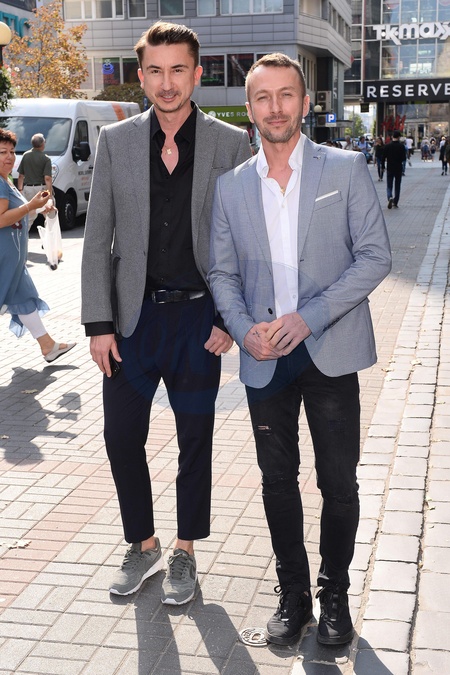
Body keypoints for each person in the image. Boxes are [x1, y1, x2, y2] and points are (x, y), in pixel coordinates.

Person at [208, 53, 391, 647]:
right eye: (263, 97)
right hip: (266, 359)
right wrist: (242, 329)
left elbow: (375, 256)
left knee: (338, 483)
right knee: (277, 481)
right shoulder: (231, 187)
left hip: (330, 349)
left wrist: (309, 318)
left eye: (286, 95)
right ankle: (293, 594)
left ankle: (334, 594)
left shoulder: (346, 168)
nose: (276, 107)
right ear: (249, 107)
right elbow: (222, 272)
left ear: (305, 103)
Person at [80, 21, 251, 606]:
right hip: (132, 322)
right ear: (142, 75)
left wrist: (230, 319)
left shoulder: (230, 144)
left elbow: (243, 241)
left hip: (200, 321)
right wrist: (98, 324)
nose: (167, 82)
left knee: (194, 440)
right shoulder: (116, 141)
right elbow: (97, 237)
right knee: (120, 436)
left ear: (197, 74)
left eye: (178, 69)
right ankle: (144, 543)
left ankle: (185, 551)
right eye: (155, 70)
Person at [0, 129, 75, 361]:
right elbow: (1, 219)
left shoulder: (6, 181)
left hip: (13, 260)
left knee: (24, 299)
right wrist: (30, 206)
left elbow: (19, 213)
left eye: (12, 151)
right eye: (2, 152)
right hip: (3, 260)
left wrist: (39, 208)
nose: (9, 157)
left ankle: (48, 346)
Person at [17, 133, 53, 230]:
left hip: (27, 189)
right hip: (41, 189)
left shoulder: (26, 155)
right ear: (42, 144)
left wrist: (20, 190)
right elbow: (47, 178)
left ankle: (24, 235)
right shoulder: (46, 158)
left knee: (28, 216)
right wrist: (49, 194)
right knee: (49, 214)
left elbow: (21, 176)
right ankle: (49, 236)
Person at [384, 130, 407, 209]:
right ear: (399, 137)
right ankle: (395, 201)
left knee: (389, 185)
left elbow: (383, 157)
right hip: (398, 168)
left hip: (390, 167)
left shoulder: (387, 146)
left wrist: (383, 166)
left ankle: (390, 196)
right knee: (397, 185)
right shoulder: (401, 146)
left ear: (392, 137)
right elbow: (403, 158)